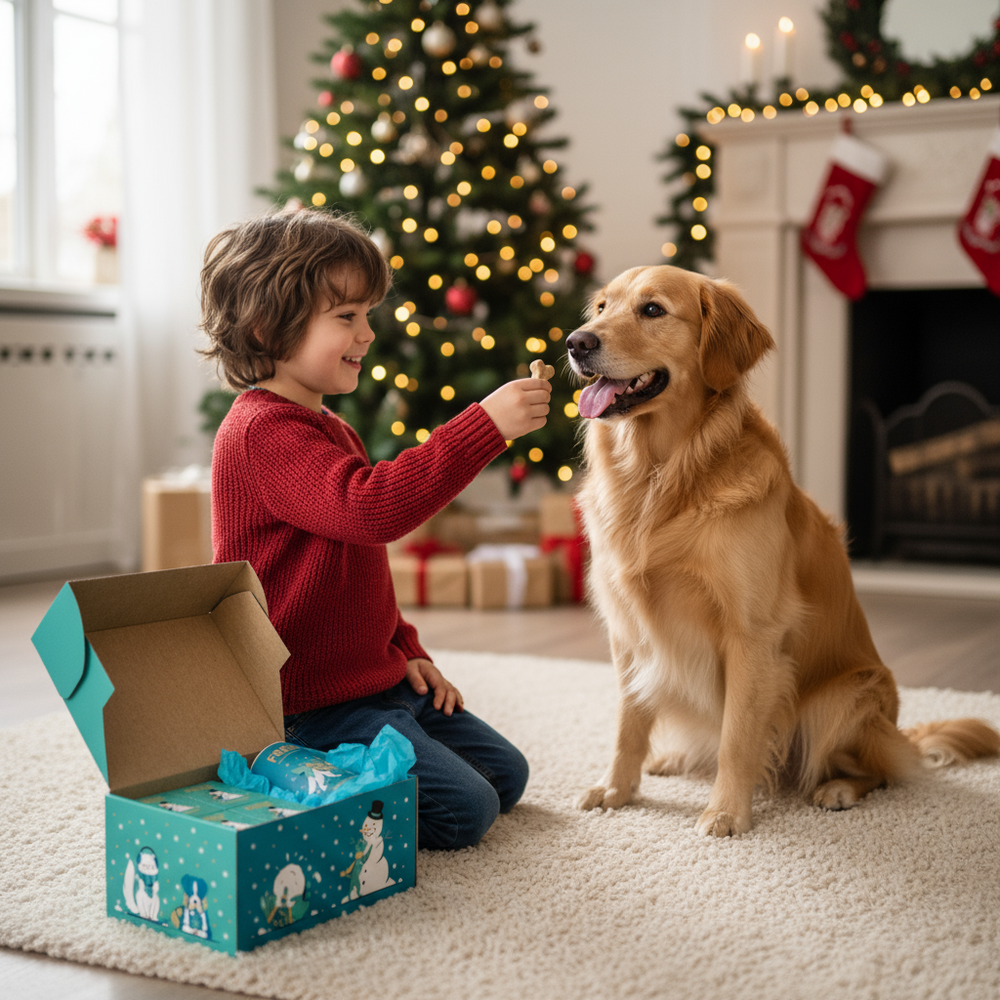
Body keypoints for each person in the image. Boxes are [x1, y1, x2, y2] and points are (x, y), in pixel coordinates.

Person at [200, 209, 551, 849]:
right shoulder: (259, 433)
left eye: (368, 314)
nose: (368, 332)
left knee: (507, 776)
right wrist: (485, 426)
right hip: (314, 706)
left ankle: (381, 743)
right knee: (466, 811)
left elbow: (362, 563)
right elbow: (373, 509)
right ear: (266, 327)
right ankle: (289, 772)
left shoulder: (334, 429)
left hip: (379, 683)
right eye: (346, 317)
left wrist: (409, 649)